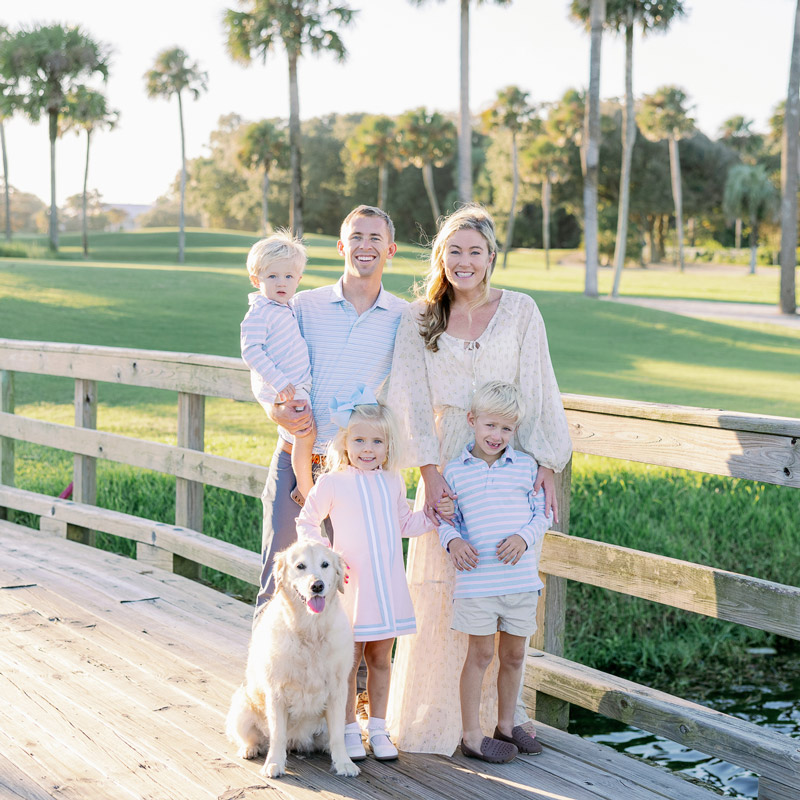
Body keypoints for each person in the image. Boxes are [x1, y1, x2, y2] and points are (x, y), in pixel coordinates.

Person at [386, 204, 573, 755]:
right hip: (446, 464)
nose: (464, 261)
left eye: (476, 251)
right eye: (454, 250)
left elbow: (538, 388)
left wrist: (545, 462)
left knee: (503, 580)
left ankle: (501, 720)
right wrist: (429, 472)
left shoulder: (520, 311)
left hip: (508, 462)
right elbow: (411, 400)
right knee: (448, 588)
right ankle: (446, 723)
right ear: (441, 257)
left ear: (492, 257)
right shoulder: (421, 317)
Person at [255, 205, 406, 612]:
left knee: (355, 583)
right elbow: (261, 357)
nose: (365, 246)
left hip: (356, 473)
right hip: (295, 457)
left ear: (390, 250)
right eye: (356, 236)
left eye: (375, 238)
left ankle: (346, 679)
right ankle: (266, 677)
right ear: (342, 246)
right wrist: (273, 407)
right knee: (281, 576)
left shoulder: (402, 317)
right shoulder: (302, 305)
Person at [296, 387, 431, 762]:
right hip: (352, 590)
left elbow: (404, 523)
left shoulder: (392, 481)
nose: (367, 448)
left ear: (388, 447)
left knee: (381, 659)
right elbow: (307, 519)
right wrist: (326, 557)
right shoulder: (334, 482)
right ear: (345, 442)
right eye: (359, 440)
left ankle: (378, 727)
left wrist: (434, 515)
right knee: (348, 661)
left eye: (377, 441)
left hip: (385, 586)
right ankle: (348, 729)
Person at [438, 381, 551, 763]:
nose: (497, 435)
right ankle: (471, 734)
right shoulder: (455, 472)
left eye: (506, 428)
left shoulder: (525, 467)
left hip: (520, 580)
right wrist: (453, 541)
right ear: (472, 421)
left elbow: (543, 514)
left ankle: (506, 725)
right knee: (481, 653)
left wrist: (523, 537)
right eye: (490, 426)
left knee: (516, 654)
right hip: (478, 580)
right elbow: (443, 519)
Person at [240, 231, 315, 506]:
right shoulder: (260, 312)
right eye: (272, 277)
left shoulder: (284, 307)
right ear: (256, 280)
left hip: (295, 384)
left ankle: (302, 486)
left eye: (288, 276)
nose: (281, 283)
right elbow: (251, 351)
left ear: (298, 279)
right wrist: (279, 382)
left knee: (303, 434)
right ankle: (305, 489)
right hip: (286, 388)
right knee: (306, 433)